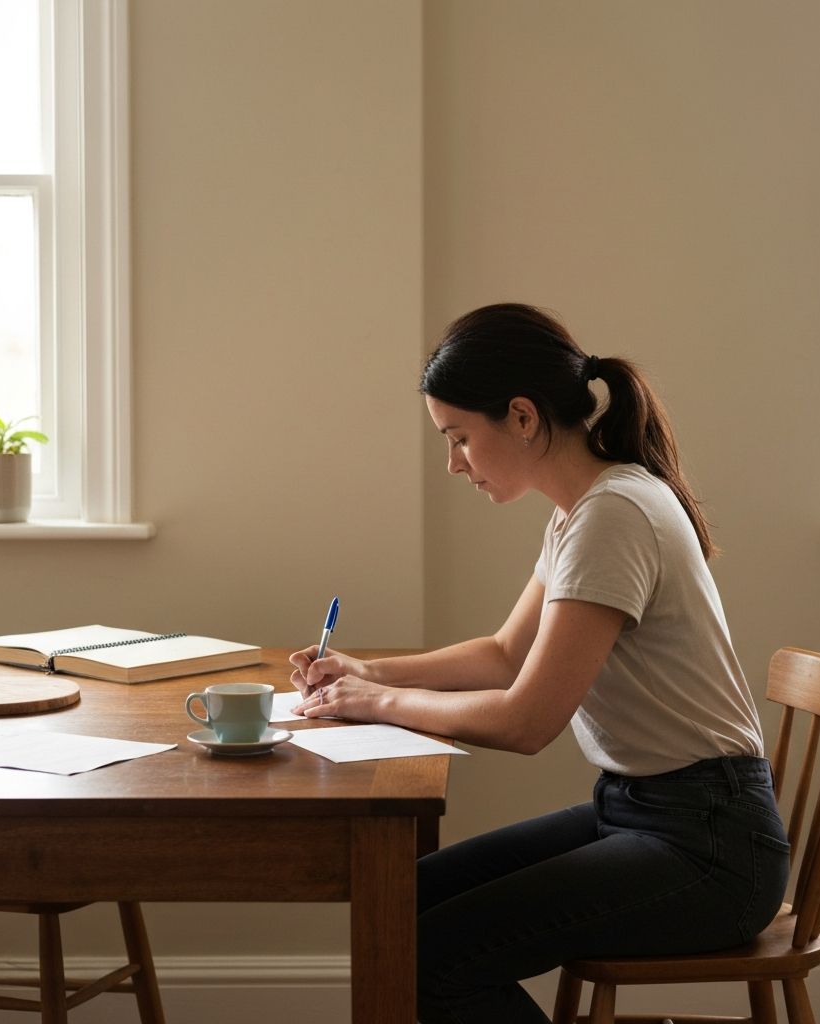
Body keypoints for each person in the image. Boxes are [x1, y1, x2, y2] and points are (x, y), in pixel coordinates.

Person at [289, 303, 790, 1024]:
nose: (454, 462)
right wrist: (370, 673)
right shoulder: (582, 511)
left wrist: (375, 705)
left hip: (710, 846)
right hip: (642, 812)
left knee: (430, 951)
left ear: (521, 417)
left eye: (459, 437)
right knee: (404, 900)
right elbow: (503, 654)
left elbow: (526, 721)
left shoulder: (613, 516)